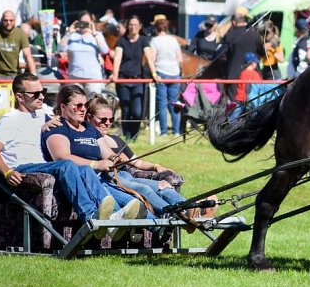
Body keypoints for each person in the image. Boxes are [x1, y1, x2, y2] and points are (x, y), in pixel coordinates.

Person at [0, 73, 138, 243]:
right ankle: (89, 217)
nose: (41, 96)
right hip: (22, 167)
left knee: (86, 169)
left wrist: (49, 122)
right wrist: (7, 172)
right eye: (35, 94)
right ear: (19, 97)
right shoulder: (9, 120)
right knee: (65, 164)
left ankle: (114, 219)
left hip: (44, 167)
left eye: (42, 91)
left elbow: (62, 117)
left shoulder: (43, 116)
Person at [85, 95, 216, 224]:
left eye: (111, 119)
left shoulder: (116, 139)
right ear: (89, 117)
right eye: (103, 120)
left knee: (164, 185)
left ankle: (193, 208)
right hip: (112, 178)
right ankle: (177, 214)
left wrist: (155, 166)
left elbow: (137, 162)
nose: (107, 123)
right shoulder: (88, 140)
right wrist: (115, 159)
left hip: (127, 176)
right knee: (144, 189)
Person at [42, 85, 147, 240]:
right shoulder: (57, 127)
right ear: (63, 107)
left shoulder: (89, 128)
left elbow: (108, 154)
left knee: (136, 198)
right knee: (136, 190)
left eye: (85, 105)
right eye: (78, 105)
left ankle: (158, 226)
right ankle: (116, 225)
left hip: (101, 178)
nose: (83, 109)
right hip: (77, 179)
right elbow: (61, 157)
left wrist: (114, 159)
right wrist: (96, 164)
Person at [110, 15, 154, 140]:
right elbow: (117, 57)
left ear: (140, 26)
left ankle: (134, 134)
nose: (132, 27)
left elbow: (149, 58)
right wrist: (115, 74)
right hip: (123, 79)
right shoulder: (121, 41)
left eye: (135, 25)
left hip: (138, 80)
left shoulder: (144, 40)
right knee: (126, 109)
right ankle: (127, 135)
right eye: (130, 25)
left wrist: (154, 74)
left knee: (137, 111)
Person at [58, 10, 109, 96]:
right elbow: (60, 49)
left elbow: (104, 50)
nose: (85, 24)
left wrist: (94, 33)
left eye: (87, 22)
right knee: (75, 104)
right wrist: (68, 33)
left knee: (93, 105)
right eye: (82, 22)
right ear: (78, 22)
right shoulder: (72, 36)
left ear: (92, 22)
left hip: (93, 78)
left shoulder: (97, 35)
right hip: (75, 77)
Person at [148, 17, 183, 136]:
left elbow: (152, 59)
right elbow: (180, 59)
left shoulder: (154, 41)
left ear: (156, 28)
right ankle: (176, 131)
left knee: (162, 104)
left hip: (161, 73)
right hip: (174, 73)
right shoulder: (174, 40)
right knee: (174, 103)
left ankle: (164, 131)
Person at [222, 6, 265, 100]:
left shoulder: (229, 36)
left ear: (233, 22)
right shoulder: (254, 34)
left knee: (235, 106)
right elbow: (262, 53)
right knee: (255, 102)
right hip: (253, 74)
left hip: (234, 76)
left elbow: (221, 55)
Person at [0, 10, 36, 84]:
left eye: (11, 20)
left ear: (15, 20)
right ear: (1, 20)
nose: (8, 23)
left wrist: (34, 75)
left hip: (14, 74)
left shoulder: (20, 33)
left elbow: (28, 56)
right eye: (6, 20)